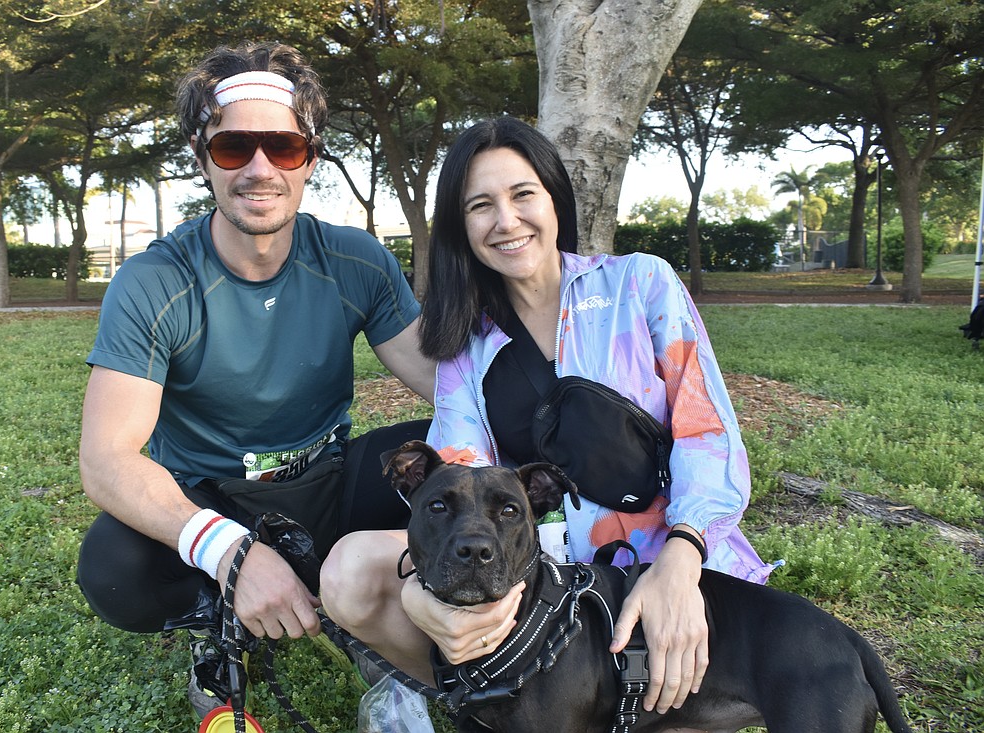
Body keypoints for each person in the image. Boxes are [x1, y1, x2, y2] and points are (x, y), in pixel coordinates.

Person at [320, 117, 777, 726]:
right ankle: (486, 698)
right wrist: (418, 592)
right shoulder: (466, 346)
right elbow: (458, 482)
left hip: (669, 564)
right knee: (352, 569)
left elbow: (708, 434)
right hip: (540, 584)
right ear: (462, 228)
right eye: (480, 206)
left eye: (522, 195)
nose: (506, 221)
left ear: (555, 197)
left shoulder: (639, 285)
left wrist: (680, 562)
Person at [75, 41, 434, 717]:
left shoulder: (356, 261)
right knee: (114, 568)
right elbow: (105, 458)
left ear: (312, 156)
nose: (261, 168)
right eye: (235, 147)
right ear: (201, 154)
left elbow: (451, 386)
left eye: (285, 147)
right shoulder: (154, 282)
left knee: (448, 447)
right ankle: (219, 621)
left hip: (327, 486)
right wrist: (230, 552)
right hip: (209, 497)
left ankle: (378, 597)